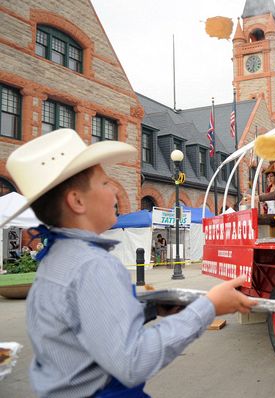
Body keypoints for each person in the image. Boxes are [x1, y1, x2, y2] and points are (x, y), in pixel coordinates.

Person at [0, 128, 255, 397]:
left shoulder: (56, 258)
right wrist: (208, 307)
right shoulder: (92, 265)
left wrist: (148, 307)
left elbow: (83, 323)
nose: (114, 191)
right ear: (76, 201)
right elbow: (132, 361)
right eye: (104, 183)